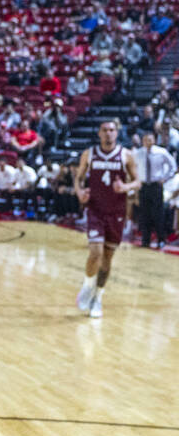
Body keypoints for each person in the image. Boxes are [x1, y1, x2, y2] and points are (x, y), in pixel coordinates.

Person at [74, 120, 140, 318]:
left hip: (116, 212)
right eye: (105, 130)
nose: (108, 133)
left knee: (108, 258)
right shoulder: (89, 154)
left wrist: (126, 188)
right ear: (99, 133)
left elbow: (137, 181)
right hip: (95, 209)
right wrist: (79, 193)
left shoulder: (126, 155)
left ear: (117, 133)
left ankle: (98, 297)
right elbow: (78, 178)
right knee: (95, 252)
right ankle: (87, 284)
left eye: (112, 130)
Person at [133, 131, 176, 249]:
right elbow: (134, 168)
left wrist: (165, 178)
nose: (148, 142)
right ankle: (145, 240)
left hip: (156, 185)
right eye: (146, 140)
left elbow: (173, 166)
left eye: (150, 139)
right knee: (144, 214)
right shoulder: (138, 153)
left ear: (155, 140)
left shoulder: (161, 152)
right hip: (143, 186)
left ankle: (161, 239)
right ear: (143, 141)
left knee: (158, 214)